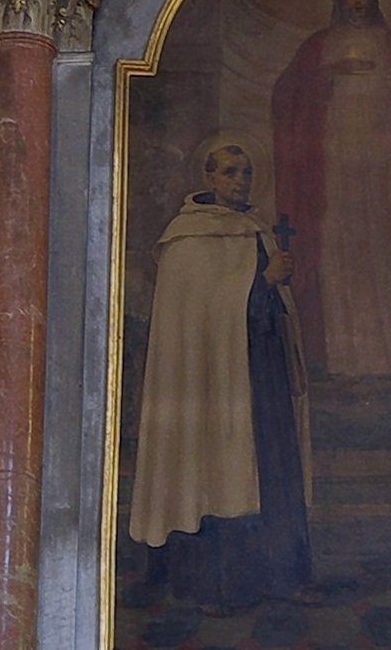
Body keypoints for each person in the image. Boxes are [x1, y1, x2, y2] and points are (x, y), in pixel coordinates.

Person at [126, 135, 313, 606]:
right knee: (211, 471)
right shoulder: (187, 238)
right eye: (229, 172)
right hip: (208, 382)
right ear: (208, 177)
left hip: (259, 372)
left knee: (265, 470)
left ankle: (277, 576)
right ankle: (215, 584)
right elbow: (199, 314)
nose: (239, 181)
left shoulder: (256, 229)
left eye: (246, 172)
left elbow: (264, 306)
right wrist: (262, 283)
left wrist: (275, 289)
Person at [270, 0, 391, 381]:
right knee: (338, 252)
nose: (356, 0)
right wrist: (324, 79)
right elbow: (286, 99)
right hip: (333, 175)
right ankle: (342, 364)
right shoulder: (317, 48)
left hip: (388, 174)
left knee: (388, 252)